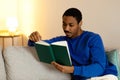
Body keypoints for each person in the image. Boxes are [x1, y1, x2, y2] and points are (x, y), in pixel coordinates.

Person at [28, 8, 118, 80]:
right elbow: (40, 44)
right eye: (64, 24)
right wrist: (33, 38)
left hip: (104, 75)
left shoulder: (93, 38)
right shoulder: (61, 40)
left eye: (71, 25)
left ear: (80, 23)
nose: (66, 28)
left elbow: (99, 68)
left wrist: (72, 69)